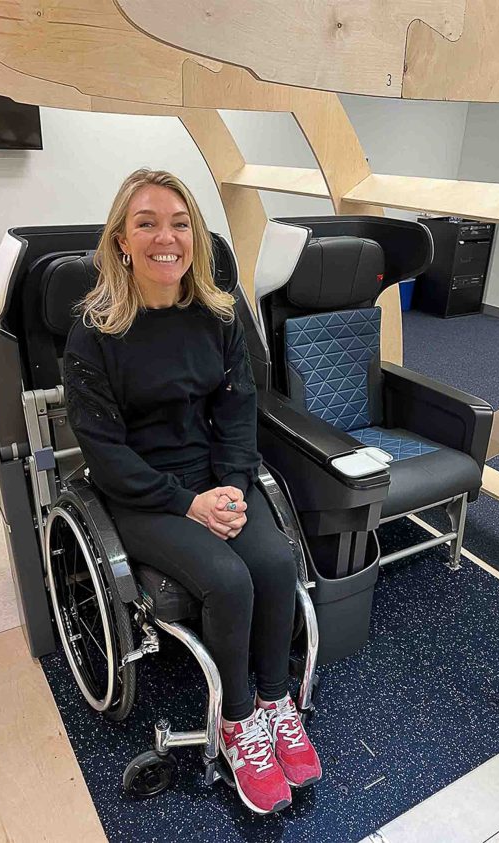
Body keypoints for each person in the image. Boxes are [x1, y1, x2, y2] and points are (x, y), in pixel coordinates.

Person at [64, 169, 321, 815]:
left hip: (214, 475)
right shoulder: (94, 332)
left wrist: (232, 487)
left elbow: (239, 411)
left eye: (179, 223)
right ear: (121, 239)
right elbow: (105, 453)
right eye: (146, 223)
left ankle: (274, 701)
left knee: (274, 559)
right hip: (141, 491)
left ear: (195, 237)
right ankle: (237, 723)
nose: (166, 237)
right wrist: (188, 503)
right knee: (227, 580)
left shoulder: (218, 312)